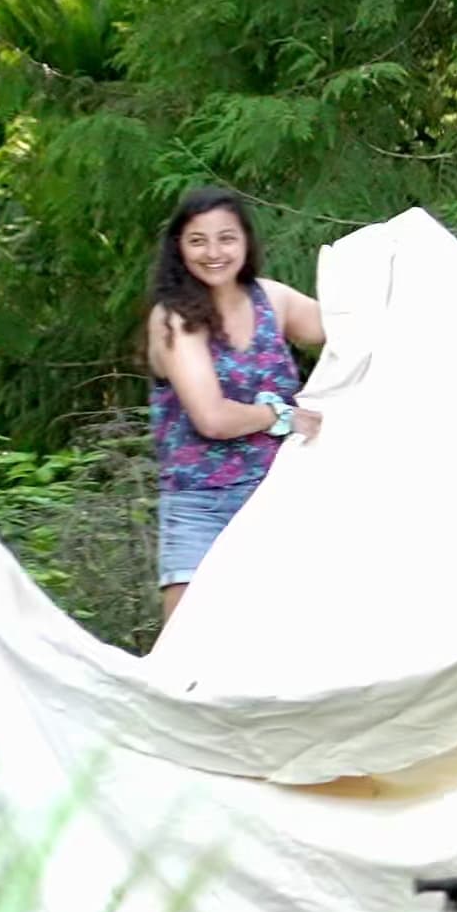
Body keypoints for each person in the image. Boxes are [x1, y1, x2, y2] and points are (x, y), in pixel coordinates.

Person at [144, 187, 325, 619]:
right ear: (179, 247)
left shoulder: (273, 300)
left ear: (245, 241)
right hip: (201, 508)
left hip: (281, 499)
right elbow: (212, 417)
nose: (213, 253)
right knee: (189, 650)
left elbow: (355, 327)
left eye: (226, 238)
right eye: (197, 241)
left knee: (288, 640)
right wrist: (282, 416)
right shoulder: (174, 319)